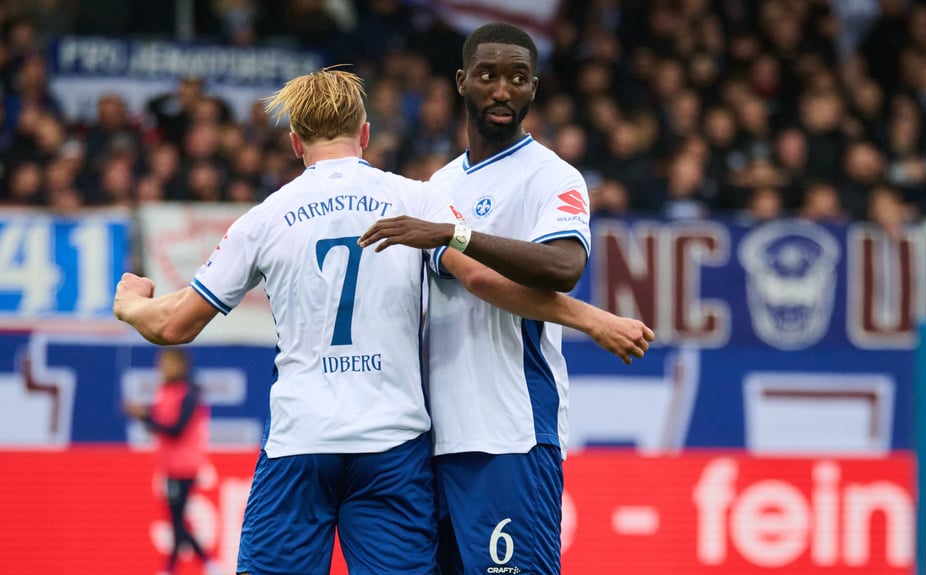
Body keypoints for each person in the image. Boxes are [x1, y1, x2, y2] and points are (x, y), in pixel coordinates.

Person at [114, 65, 653, 575]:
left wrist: (131, 301)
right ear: (365, 134)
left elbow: (174, 325)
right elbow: (485, 282)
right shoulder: (416, 200)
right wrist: (593, 319)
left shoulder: (265, 218)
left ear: (296, 142)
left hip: (302, 442)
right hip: (393, 448)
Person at [359, 22, 654, 575]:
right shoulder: (436, 187)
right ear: (461, 82)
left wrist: (456, 234)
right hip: (433, 439)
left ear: (533, 89)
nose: (502, 90)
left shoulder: (551, 177)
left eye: (518, 78)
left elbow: (564, 267)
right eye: (488, 75)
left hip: (511, 433)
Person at [122, 348, 220, 575]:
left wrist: (144, 417)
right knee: (176, 519)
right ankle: (190, 566)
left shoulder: (189, 394)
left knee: (176, 520)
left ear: (180, 365)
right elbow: (160, 419)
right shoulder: (165, 391)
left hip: (185, 466)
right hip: (170, 465)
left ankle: (201, 565)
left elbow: (175, 429)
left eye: (166, 363)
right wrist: (143, 414)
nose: (161, 368)